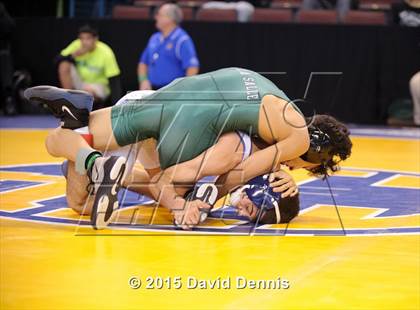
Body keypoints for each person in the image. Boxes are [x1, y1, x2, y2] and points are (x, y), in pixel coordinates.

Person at [24, 67, 353, 229]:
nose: (290, 167)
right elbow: (235, 173)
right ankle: (105, 168)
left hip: (170, 95)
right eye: (301, 166)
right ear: (315, 152)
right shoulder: (298, 138)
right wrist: (194, 202)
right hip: (192, 124)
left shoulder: (278, 103)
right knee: (174, 187)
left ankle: (90, 153)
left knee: (60, 141)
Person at [48, 90, 300, 229]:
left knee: (180, 191)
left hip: (162, 116)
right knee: (78, 201)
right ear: (261, 189)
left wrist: (288, 181)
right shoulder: (230, 156)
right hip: (151, 120)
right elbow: (164, 182)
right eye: (250, 207)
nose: (241, 211)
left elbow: (276, 166)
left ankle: (93, 164)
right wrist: (180, 207)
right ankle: (84, 146)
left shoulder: (262, 160)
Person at [56, 25, 122, 108]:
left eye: (88, 38)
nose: (84, 42)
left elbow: (114, 80)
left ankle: (85, 107)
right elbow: (57, 60)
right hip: (80, 83)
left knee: (86, 93)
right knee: (64, 65)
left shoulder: (106, 52)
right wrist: (73, 55)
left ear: (95, 39)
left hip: (99, 85)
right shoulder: (77, 45)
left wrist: (117, 106)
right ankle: (69, 101)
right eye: (82, 38)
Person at [138, 3, 199, 90]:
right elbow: (143, 63)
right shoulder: (154, 38)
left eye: (159, 14)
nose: (156, 17)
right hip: (152, 91)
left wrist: (183, 89)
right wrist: (143, 80)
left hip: (171, 92)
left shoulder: (182, 40)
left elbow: (192, 67)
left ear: (170, 19)